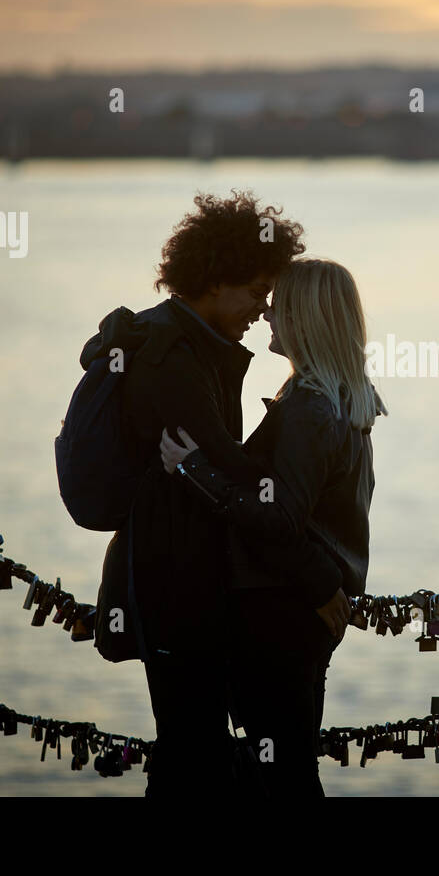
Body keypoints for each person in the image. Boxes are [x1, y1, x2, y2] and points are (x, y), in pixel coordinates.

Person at [87, 188, 343, 799]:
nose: (263, 308)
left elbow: (237, 482)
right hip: (174, 584)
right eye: (257, 291)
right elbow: (237, 478)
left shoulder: (199, 346)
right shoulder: (170, 359)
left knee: (204, 756)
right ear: (215, 279)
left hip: (195, 580)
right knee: (191, 755)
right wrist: (321, 579)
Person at [160, 257, 385, 796]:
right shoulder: (346, 400)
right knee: (290, 762)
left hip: (280, 610)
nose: (267, 316)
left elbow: (282, 518)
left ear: (305, 318)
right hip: (312, 607)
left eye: (279, 306)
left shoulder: (309, 406)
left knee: (283, 772)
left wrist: (193, 471)